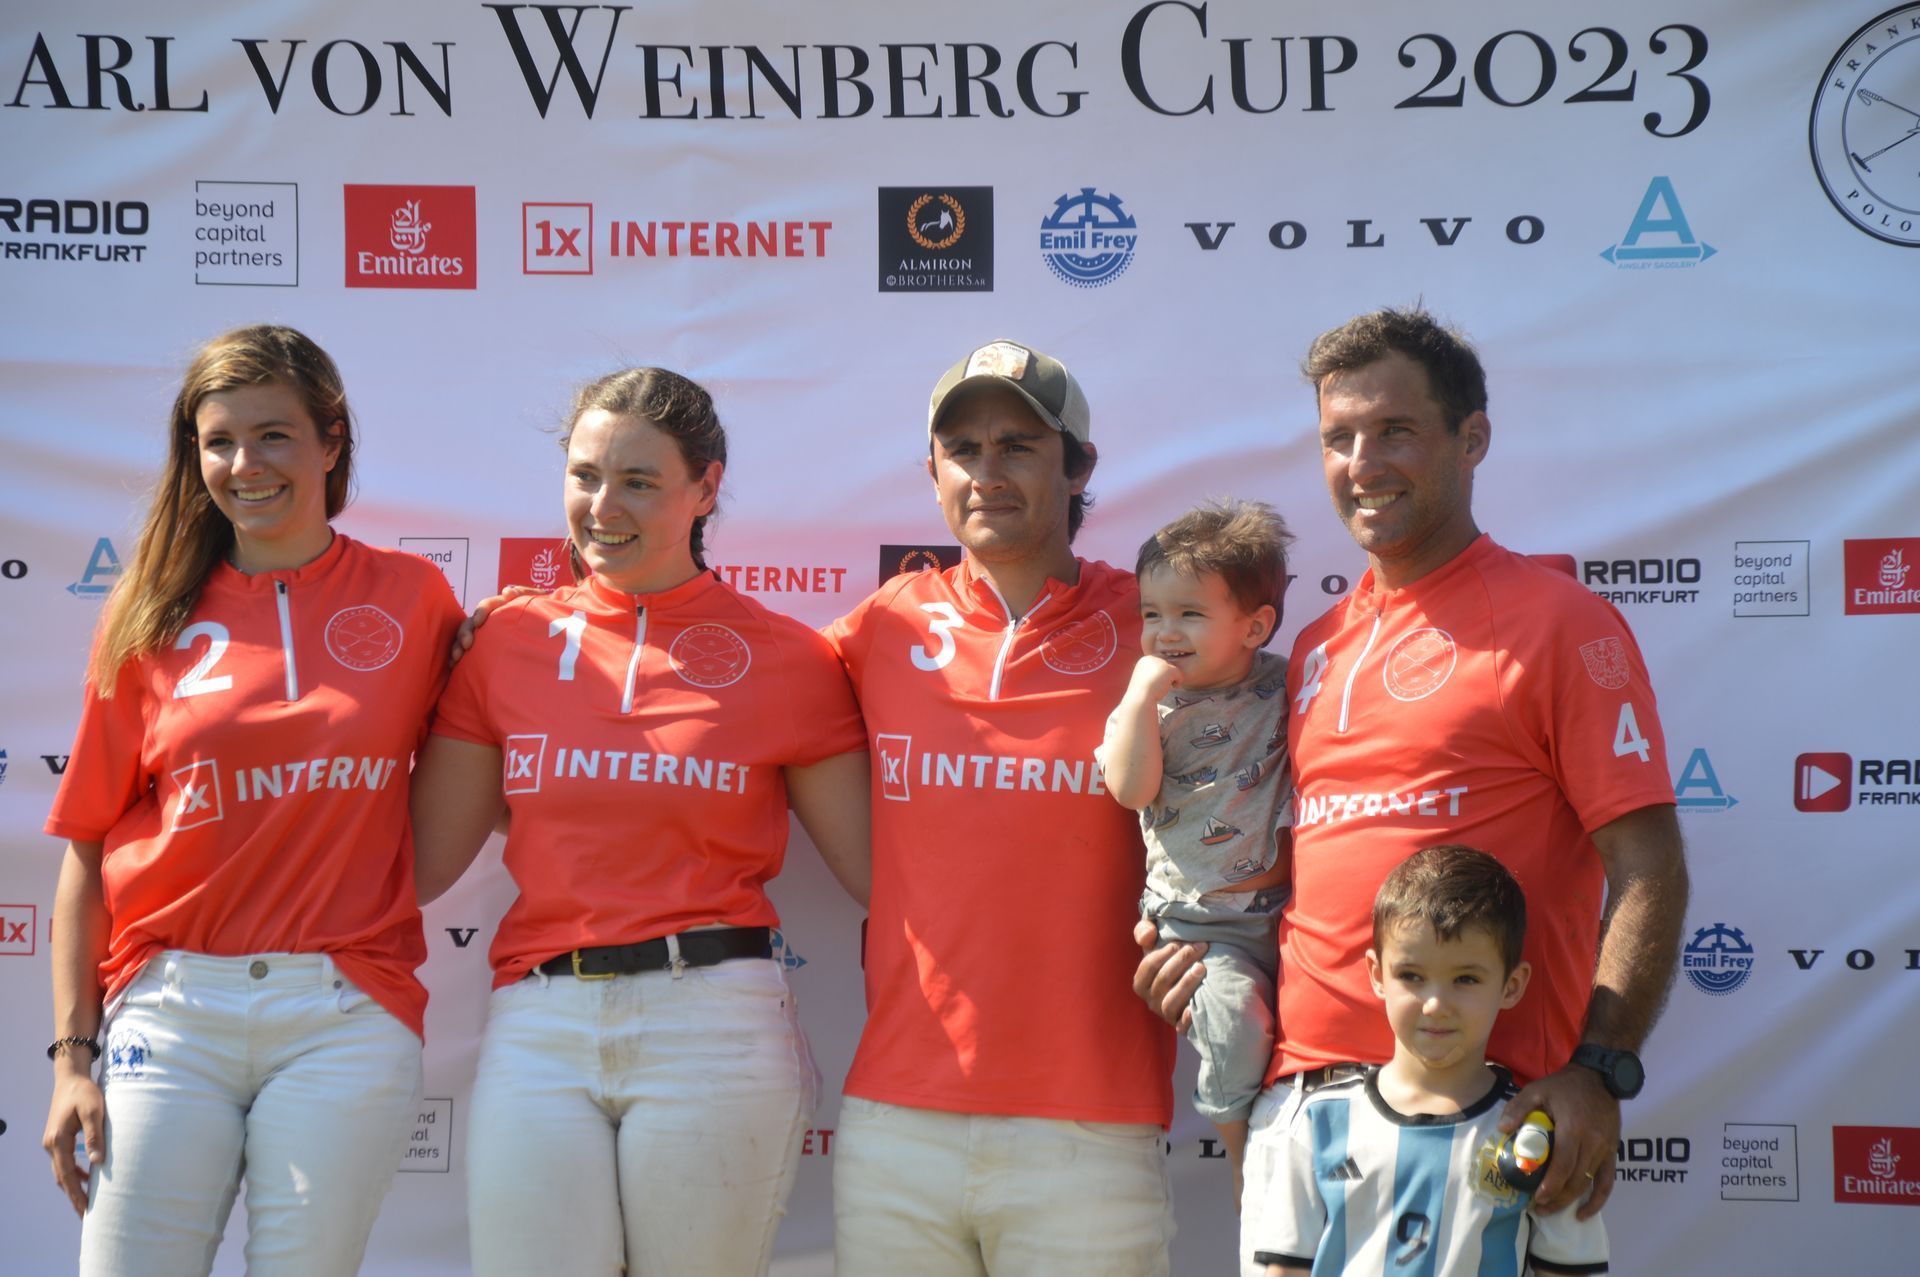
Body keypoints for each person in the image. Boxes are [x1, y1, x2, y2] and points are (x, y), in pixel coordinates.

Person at [1133, 307, 1688, 1264]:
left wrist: (1600, 1068)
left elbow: (1651, 869)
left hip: (1489, 1110)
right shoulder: (1313, 644)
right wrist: (1195, 950)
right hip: (1300, 1110)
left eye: (1394, 430)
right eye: (1338, 437)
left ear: (1472, 438)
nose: (1362, 463)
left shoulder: (1561, 622)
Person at [408, 366, 870, 1277]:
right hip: (539, 1019)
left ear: (706, 487)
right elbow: (424, 862)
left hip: (714, 1020)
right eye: (584, 475)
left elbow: (882, 877)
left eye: (639, 481)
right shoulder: (505, 641)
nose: (603, 506)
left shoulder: (790, 657)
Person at [40, 324, 463, 1276]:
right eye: (219, 441)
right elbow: (87, 847)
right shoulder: (147, 608)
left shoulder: (415, 595)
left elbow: (494, 728)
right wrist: (72, 1059)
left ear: (332, 440)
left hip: (344, 1009)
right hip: (169, 1012)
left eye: (274, 434)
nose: (245, 464)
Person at [825, 339, 1176, 1276]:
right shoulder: (886, 621)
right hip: (897, 1119)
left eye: (1018, 446)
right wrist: (512, 630)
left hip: (1090, 1126)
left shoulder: (1157, 621)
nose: (987, 471)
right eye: (963, 449)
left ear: (1079, 467)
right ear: (933, 473)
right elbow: (724, 695)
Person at [1250, 845, 1608, 1276]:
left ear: (1512, 986)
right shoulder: (1319, 1122)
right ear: (1377, 975)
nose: (1436, 1004)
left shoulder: (1534, 1137)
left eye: (1465, 979)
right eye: (1412, 976)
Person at [1098, 499, 1295, 1184]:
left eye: (1189, 613)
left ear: (1255, 626)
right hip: (1201, 929)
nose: (1165, 632)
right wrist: (1139, 695)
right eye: (1151, 614)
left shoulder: (1290, 682)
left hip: (1294, 919)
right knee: (1235, 1026)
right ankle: (1245, 1166)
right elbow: (1130, 789)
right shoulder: (1147, 708)